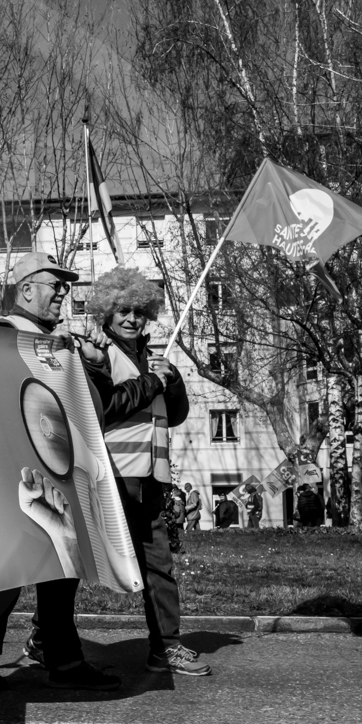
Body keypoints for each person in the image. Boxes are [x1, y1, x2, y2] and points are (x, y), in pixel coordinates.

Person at [0, 252, 122, 693]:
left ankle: (59, 661)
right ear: (27, 289)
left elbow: (96, 408)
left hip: (59, 467)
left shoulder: (62, 345)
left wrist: (95, 364)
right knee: (13, 570)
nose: (63, 294)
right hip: (14, 470)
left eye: (66, 286)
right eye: (56, 285)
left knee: (62, 570)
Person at [89, 267, 210, 677]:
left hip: (151, 479)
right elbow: (104, 408)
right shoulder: (99, 354)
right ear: (105, 312)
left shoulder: (153, 356)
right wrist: (152, 380)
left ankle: (166, 648)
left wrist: (170, 382)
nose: (131, 319)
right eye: (122, 310)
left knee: (158, 564)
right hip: (111, 478)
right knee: (80, 562)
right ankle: (44, 636)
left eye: (139, 311)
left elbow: (174, 416)